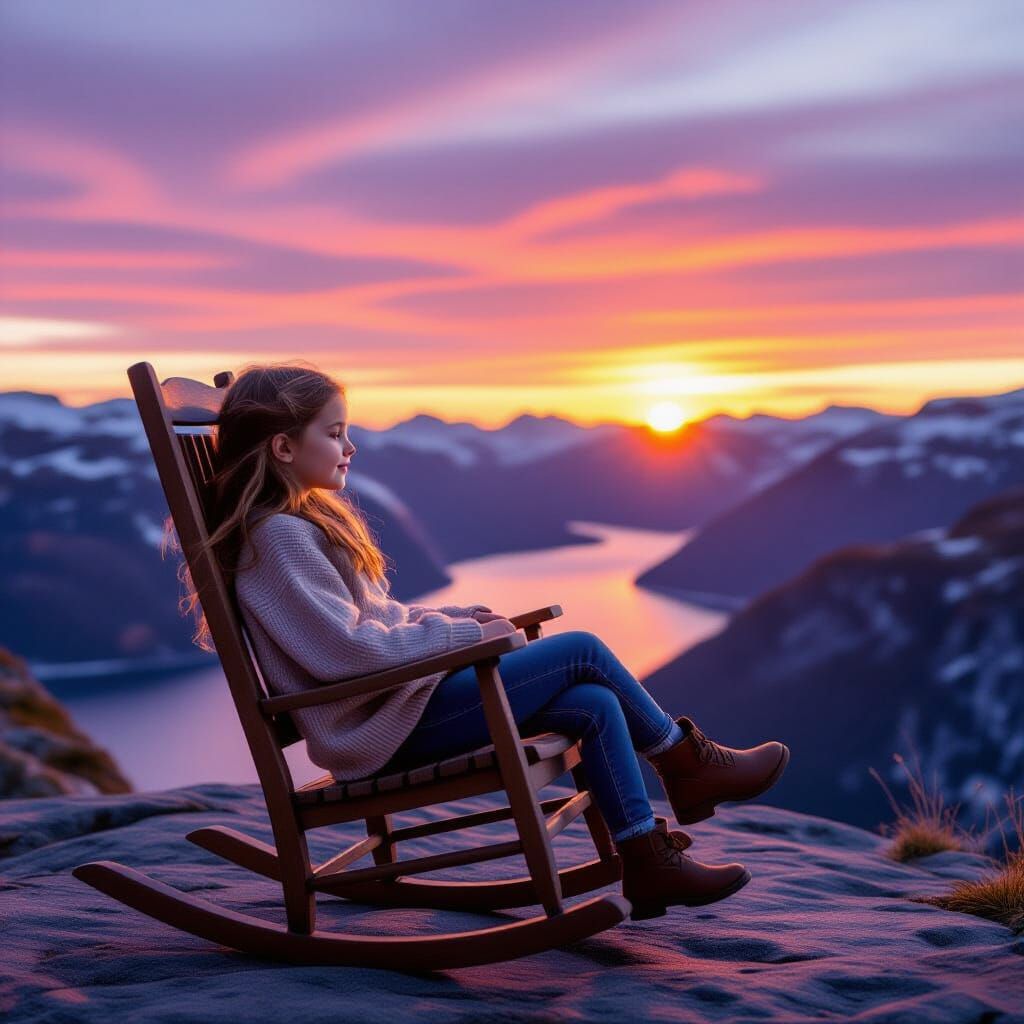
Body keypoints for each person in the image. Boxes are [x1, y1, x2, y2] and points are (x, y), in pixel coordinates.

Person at [170, 361, 790, 920]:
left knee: (596, 705)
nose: (350, 445)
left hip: (397, 709)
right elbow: (349, 651)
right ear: (282, 446)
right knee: (582, 651)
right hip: (382, 729)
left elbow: (377, 617)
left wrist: (463, 616)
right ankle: (686, 764)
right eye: (334, 433)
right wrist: (468, 637)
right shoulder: (279, 539)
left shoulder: (300, 525)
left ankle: (646, 860)